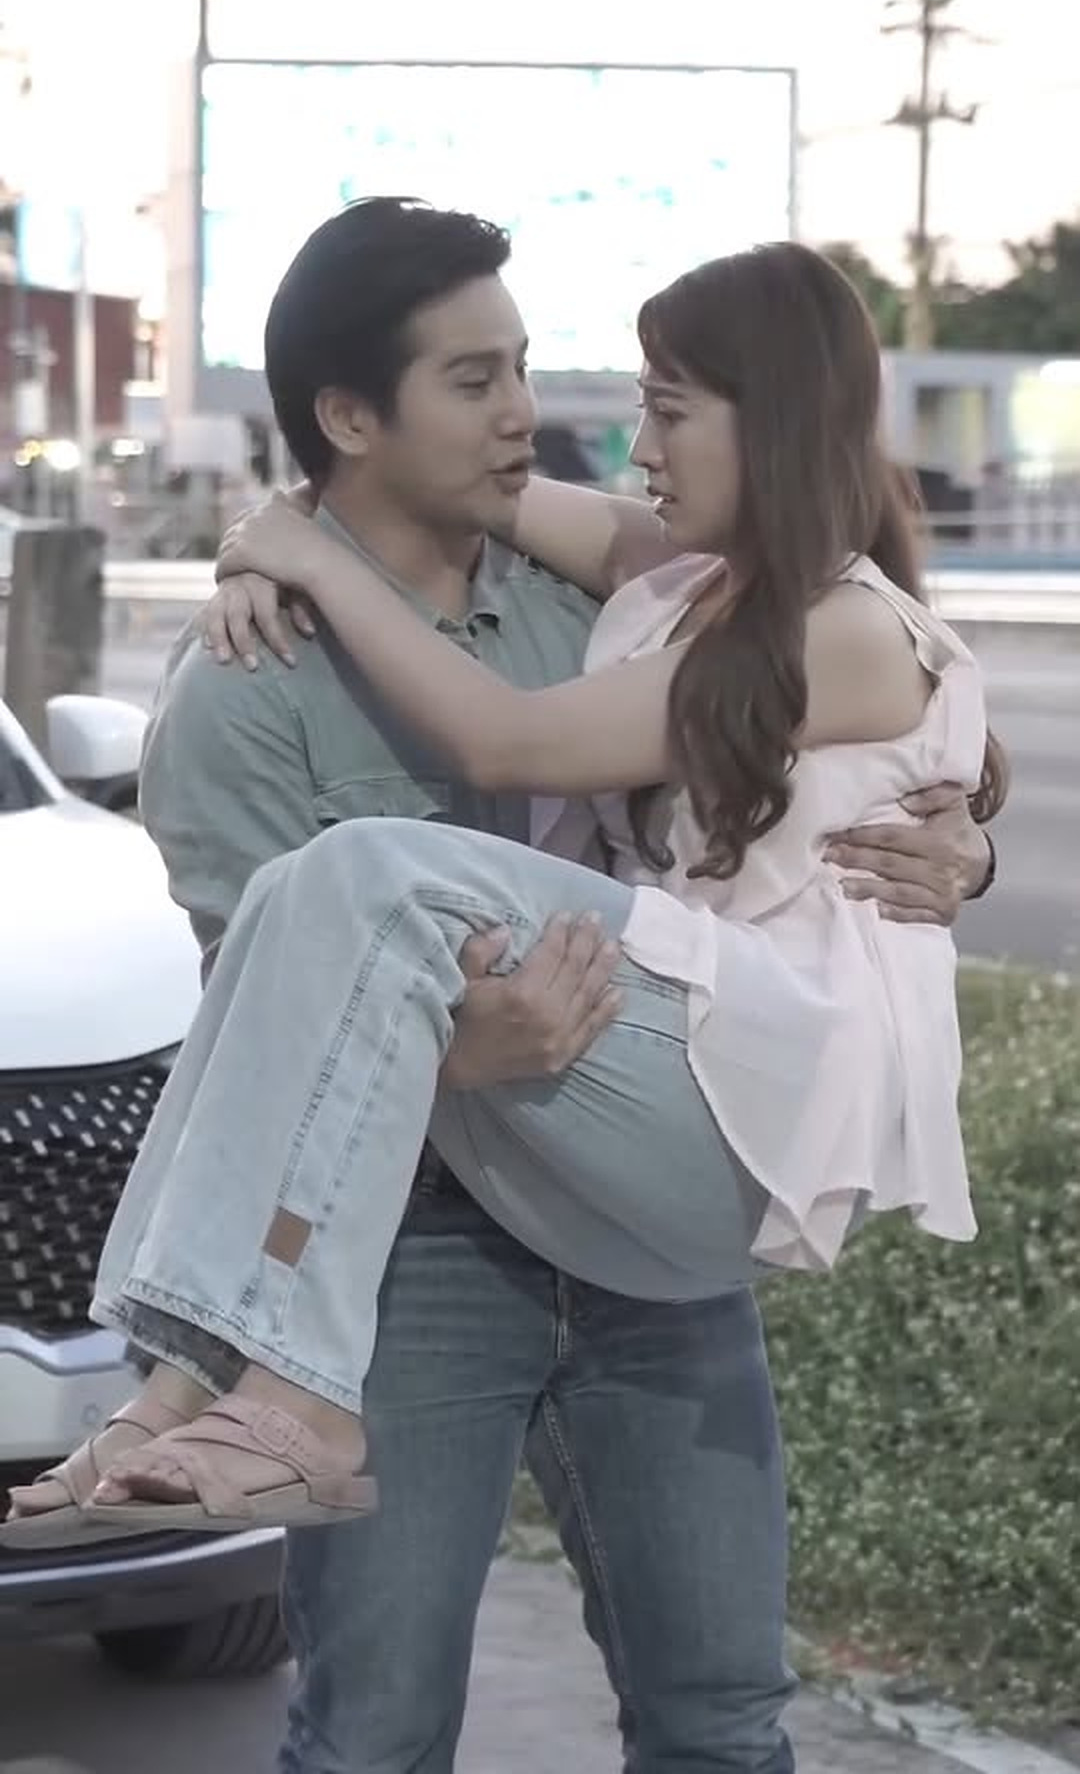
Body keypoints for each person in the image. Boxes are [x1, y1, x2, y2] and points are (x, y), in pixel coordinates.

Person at [4, 202, 996, 1774]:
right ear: (353, 417)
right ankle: (211, 1375)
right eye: (477, 381)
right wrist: (447, 1051)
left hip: (651, 1194)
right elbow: (259, 1014)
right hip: (413, 1249)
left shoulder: (594, 596)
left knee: (720, 1715)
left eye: (528, 369)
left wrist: (968, 838)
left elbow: (856, 706)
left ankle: (194, 1375)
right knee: (376, 1733)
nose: (533, 416)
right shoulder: (248, 691)